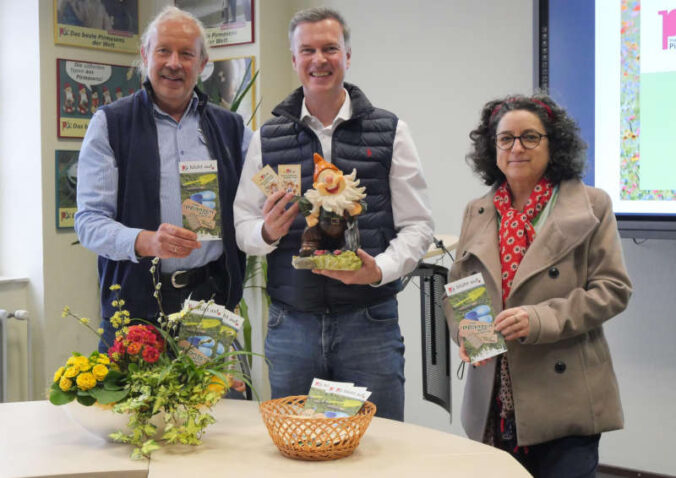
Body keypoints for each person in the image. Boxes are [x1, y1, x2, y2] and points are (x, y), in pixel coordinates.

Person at [233, 7, 433, 421]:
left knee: (379, 448)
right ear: (293, 59)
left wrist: (378, 269)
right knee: (297, 447)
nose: (318, 59)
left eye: (330, 48)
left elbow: (418, 226)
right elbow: (242, 226)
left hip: (369, 324)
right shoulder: (266, 138)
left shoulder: (390, 130)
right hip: (292, 328)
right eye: (307, 50)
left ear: (347, 55)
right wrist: (267, 233)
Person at [444, 94, 632, 477]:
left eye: (530, 137)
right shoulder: (477, 210)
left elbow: (613, 288)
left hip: (566, 399)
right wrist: (469, 331)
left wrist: (540, 319)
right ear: (492, 148)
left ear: (553, 144)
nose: (516, 148)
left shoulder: (592, 206)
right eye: (505, 138)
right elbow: (462, 287)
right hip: (494, 398)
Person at [75, 6, 251, 353]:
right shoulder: (111, 124)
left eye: (187, 54)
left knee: (213, 405)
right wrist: (146, 241)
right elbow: (89, 222)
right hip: (136, 303)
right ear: (145, 56)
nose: (174, 63)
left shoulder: (231, 128)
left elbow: (254, 203)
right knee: (136, 407)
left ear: (203, 64)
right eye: (164, 51)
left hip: (209, 305)